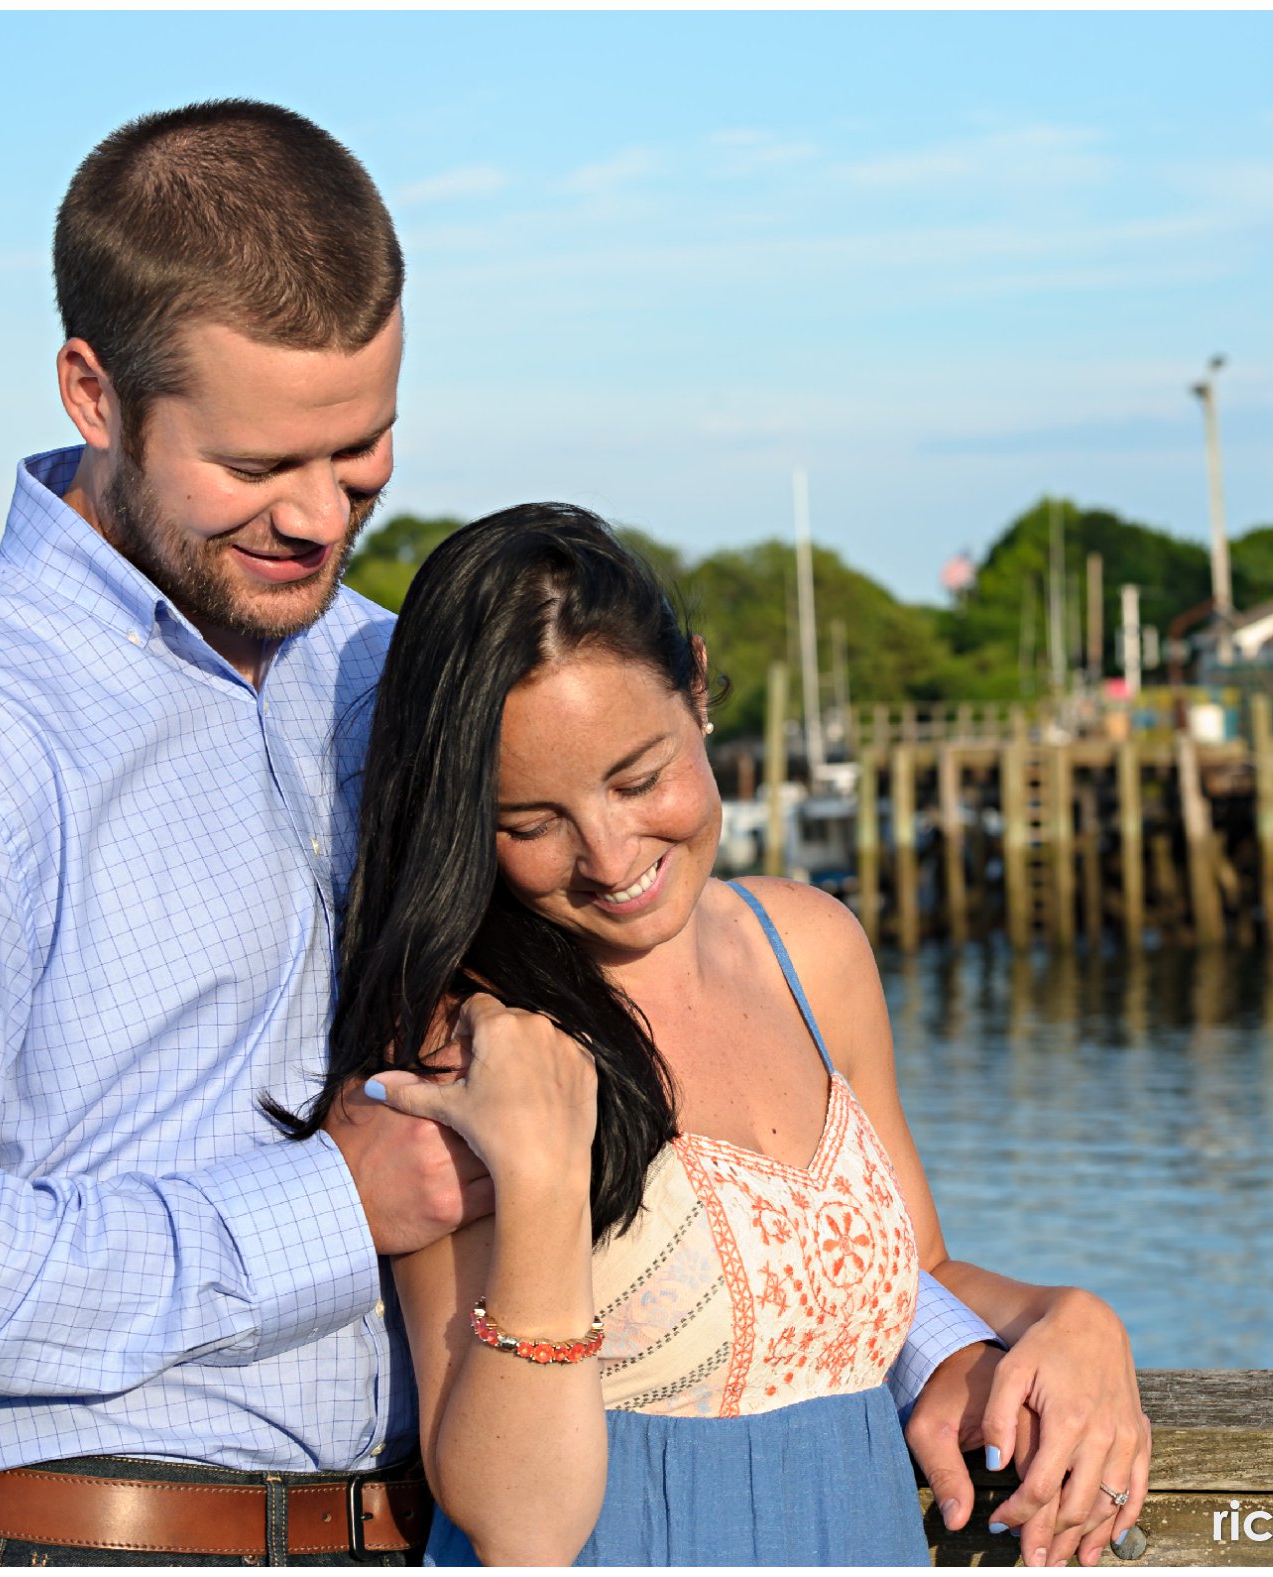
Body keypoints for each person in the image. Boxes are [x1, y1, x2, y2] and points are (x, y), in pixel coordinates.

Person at [0, 98, 1141, 1566]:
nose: (312, 516)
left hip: (420, 1533)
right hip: (101, 1542)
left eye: (361, 453)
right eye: (253, 466)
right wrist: (330, 1207)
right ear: (94, 393)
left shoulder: (389, 673)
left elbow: (682, 1136)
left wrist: (978, 1336)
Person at [278, 505, 1149, 1565]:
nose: (607, 854)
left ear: (694, 687)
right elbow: (518, 1527)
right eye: (529, 821)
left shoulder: (812, 947)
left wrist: (1072, 1318)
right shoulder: (469, 1042)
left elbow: (912, 1269)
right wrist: (548, 1182)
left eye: (637, 778)